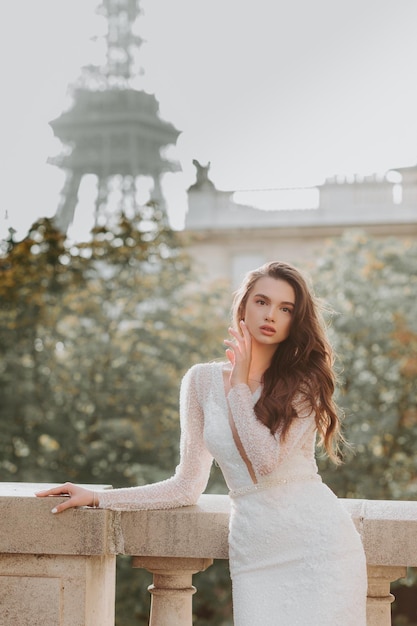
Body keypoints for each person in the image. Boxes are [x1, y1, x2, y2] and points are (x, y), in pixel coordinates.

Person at [36, 261, 367, 625]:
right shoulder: (201, 381)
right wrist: (100, 498)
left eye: (285, 308)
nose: (271, 314)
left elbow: (265, 461)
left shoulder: (304, 384)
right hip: (255, 548)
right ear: (243, 306)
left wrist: (240, 387)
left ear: (295, 321)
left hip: (319, 545)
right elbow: (185, 486)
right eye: (261, 301)